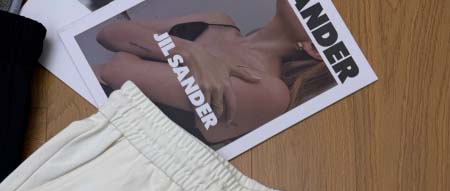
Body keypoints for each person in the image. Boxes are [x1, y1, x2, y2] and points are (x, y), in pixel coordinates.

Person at [94, 0, 335, 144]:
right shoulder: (220, 21)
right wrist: (191, 52)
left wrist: (144, 46)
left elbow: (117, 71)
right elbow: (108, 34)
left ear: (315, 48)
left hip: (99, 128)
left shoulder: (270, 92)